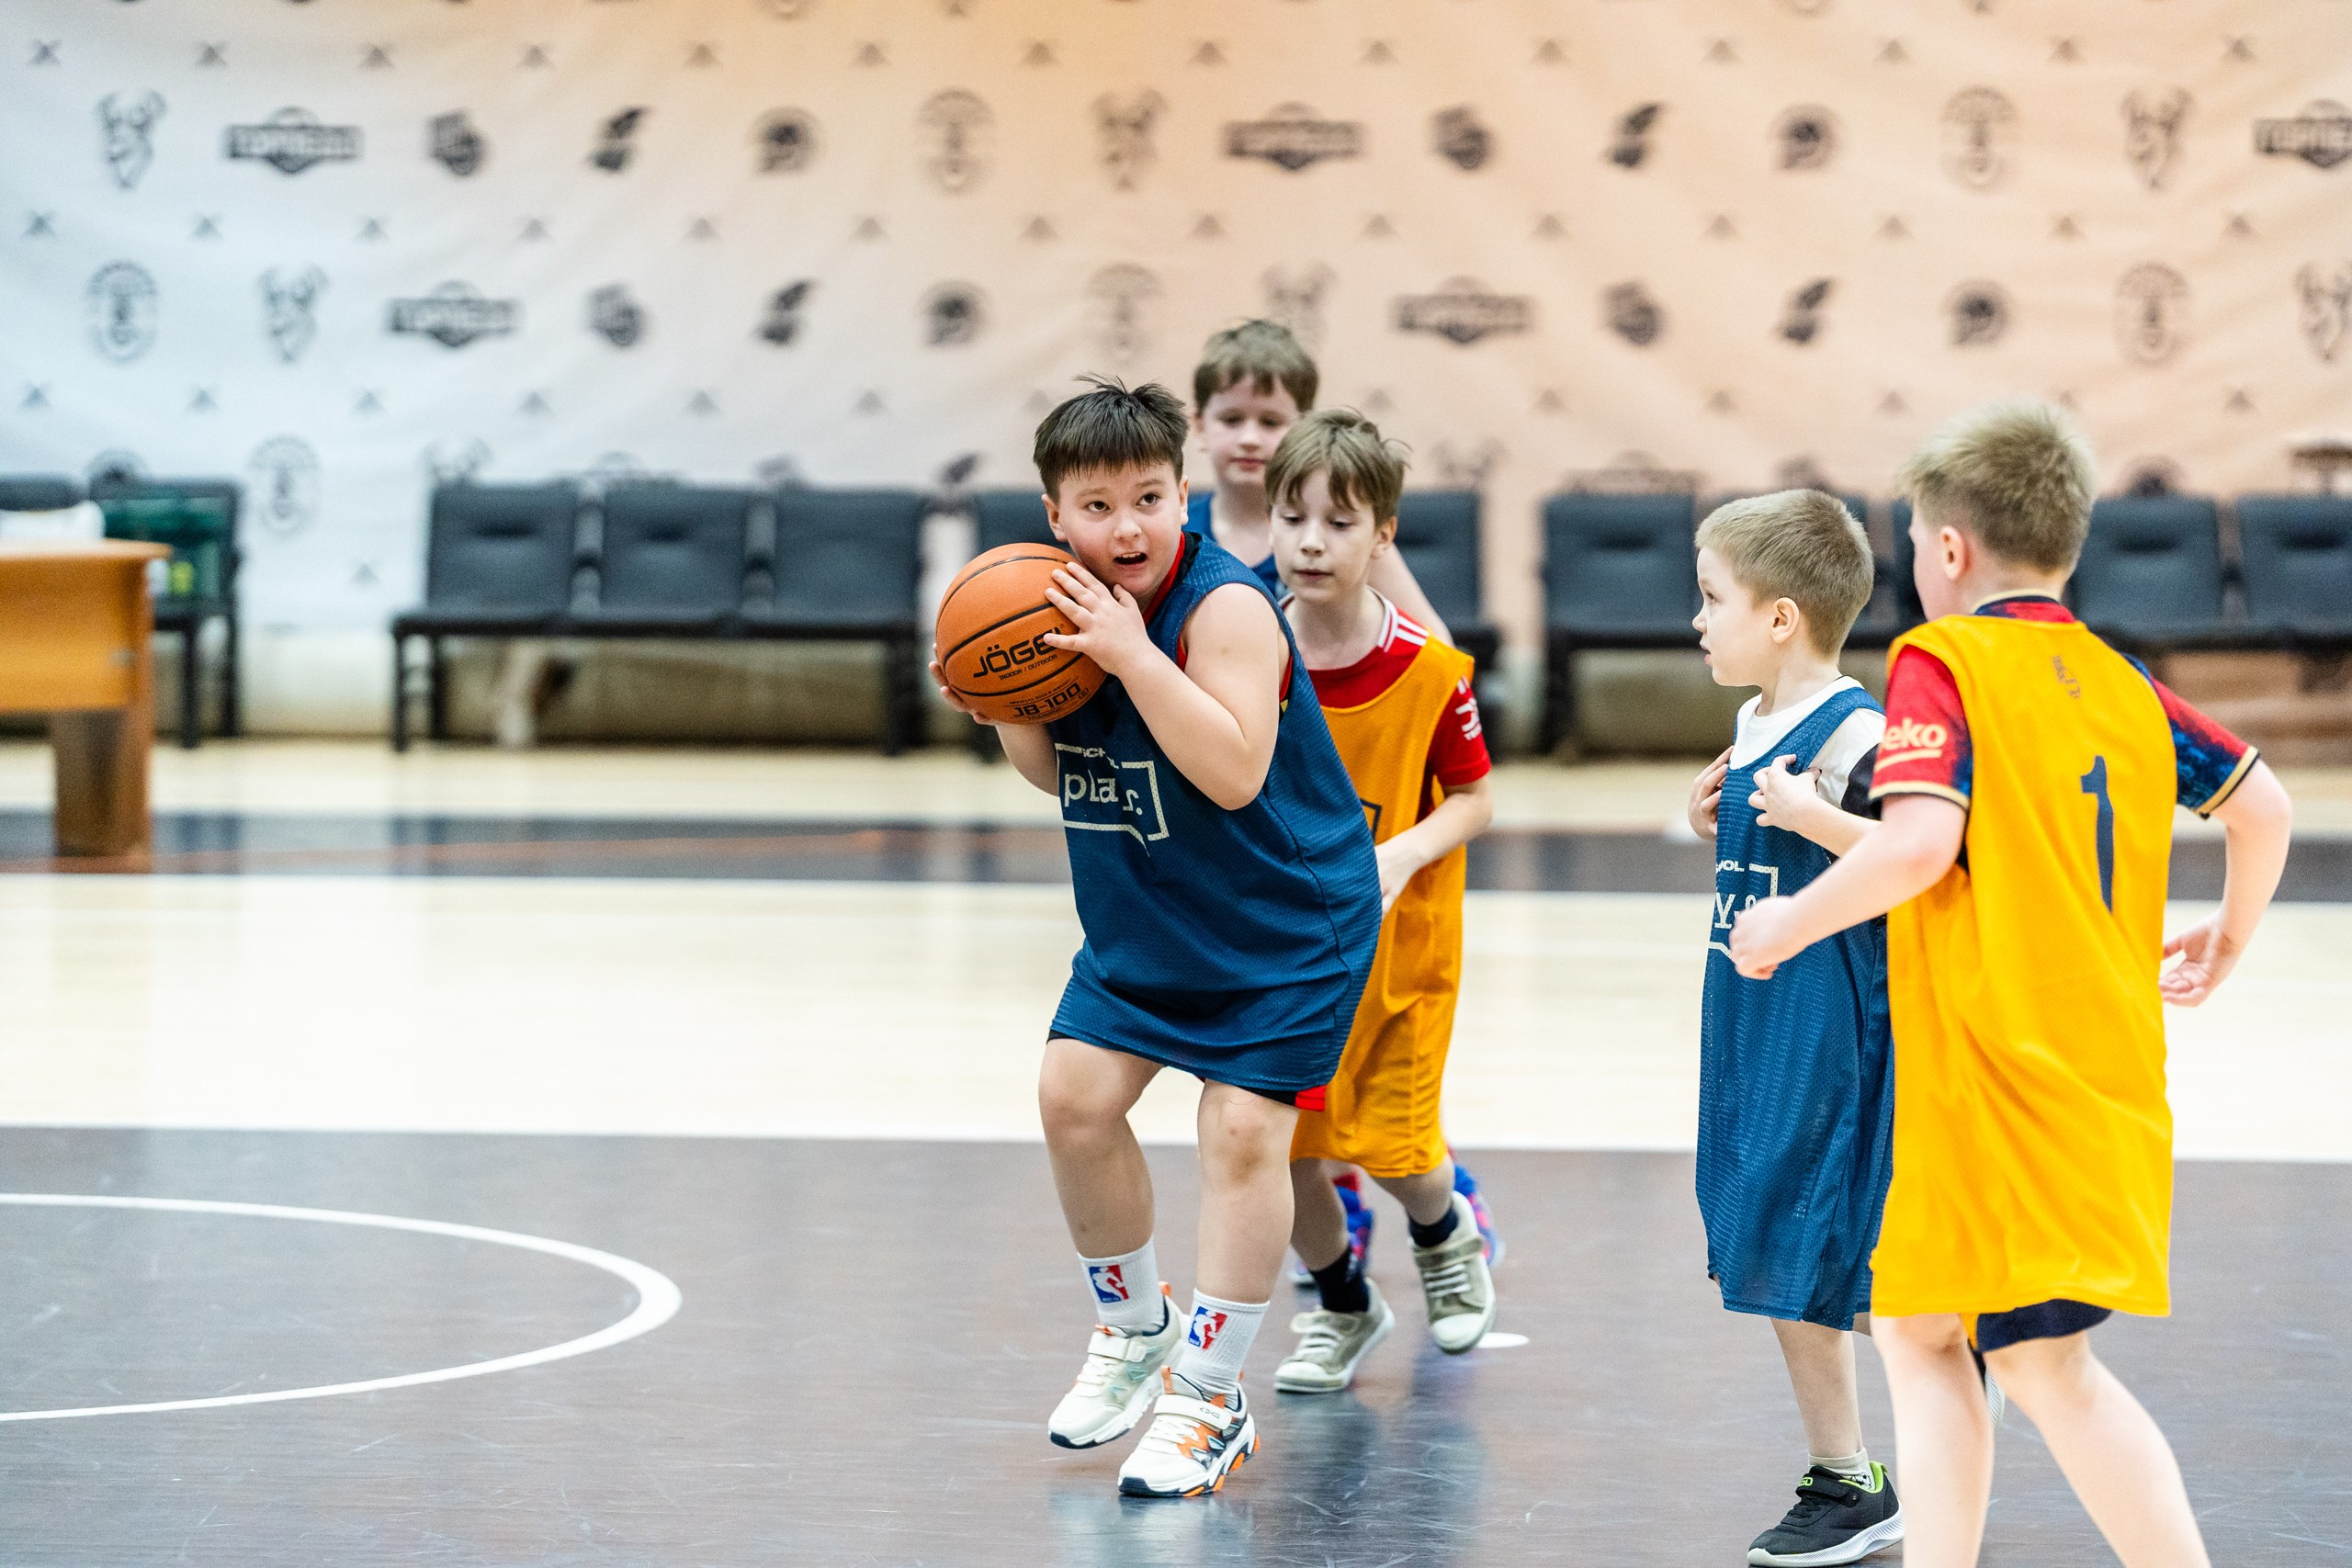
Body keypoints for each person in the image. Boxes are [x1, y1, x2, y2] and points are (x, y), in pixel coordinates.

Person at [1731, 400, 2294, 1568]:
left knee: (2043, 1364)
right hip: (2088, 1069)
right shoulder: (2122, 681)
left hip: (2005, 1076)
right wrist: (2226, 943)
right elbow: (2262, 805)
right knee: (1921, 1329)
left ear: (1947, 549)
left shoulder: (1945, 660)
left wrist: (1786, 921)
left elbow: (1919, 843)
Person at [931, 378, 1382, 1499]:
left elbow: (1232, 771)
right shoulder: (1050, 602)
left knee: (1238, 1132)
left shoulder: (1223, 609)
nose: (1127, 527)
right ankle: (1135, 1330)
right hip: (1150, 911)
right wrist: (1001, 703)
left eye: (1148, 498)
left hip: (1286, 920)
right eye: (1097, 506)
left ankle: (1210, 1399)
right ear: (1054, 516)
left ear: (1181, 494)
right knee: (1073, 1099)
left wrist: (1133, 656)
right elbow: (1050, 772)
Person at [1189, 318, 1506, 1270]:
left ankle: (1433, 1197)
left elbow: (1435, 662)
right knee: (1288, 1116)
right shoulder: (1187, 546)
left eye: (1268, 418)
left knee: (1382, 1111)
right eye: (1229, 417)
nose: (1248, 436)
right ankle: (1337, 1237)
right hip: (1263, 873)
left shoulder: (1342, 535)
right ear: (1200, 428)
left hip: (1369, 851)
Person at [1250, 411, 1498, 1395]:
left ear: (1383, 535)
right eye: (1292, 517)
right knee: (1289, 1154)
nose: (1311, 541)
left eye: (1339, 522)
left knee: (1393, 1149)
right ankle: (1344, 1306)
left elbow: (1478, 800)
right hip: (1278, 955)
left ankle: (1445, 1234)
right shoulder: (1243, 653)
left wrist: (1402, 852)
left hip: (1400, 954)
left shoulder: (1430, 673)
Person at [1685, 491, 1903, 1566]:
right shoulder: (1755, 719)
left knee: (1803, 1237)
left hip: (1825, 1021)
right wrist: (1711, 814)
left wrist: (1817, 818)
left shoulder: (1858, 730)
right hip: (1750, 1009)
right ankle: (1873, 1449)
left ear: (1780, 618)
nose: (1696, 620)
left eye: (1710, 598)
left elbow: (1924, 859)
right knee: (1771, 1230)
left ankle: (1852, 1475)